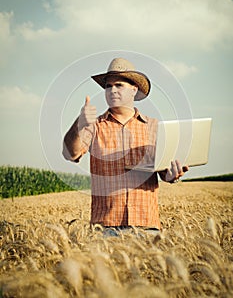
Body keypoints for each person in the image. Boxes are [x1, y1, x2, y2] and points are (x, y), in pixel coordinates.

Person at [63, 58, 188, 236]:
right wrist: (79, 123)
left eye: (119, 85)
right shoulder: (94, 126)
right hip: (106, 227)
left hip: (146, 225)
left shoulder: (153, 127)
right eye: (108, 86)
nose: (112, 90)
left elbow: (164, 173)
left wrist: (173, 174)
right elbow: (70, 153)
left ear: (134, 90)